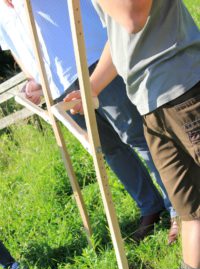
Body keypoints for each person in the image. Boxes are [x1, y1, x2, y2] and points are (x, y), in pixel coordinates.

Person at [0, 0, 178, 243]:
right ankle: (150, 206)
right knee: (108, 148)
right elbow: (17, 48)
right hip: (59, 85)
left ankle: (178, 205)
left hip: (92, 60)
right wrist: (36, 80)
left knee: (136, 134)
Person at [63, 0, 200, 269]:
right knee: (192, 212)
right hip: (151, 106)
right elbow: (121, 37)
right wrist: (92, 86)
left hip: (183, 88)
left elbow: (132, 15)